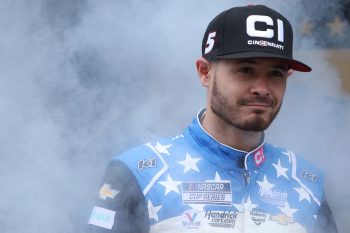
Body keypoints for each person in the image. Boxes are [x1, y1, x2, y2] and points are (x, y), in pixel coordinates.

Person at [87, 4, 338, 233]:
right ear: (205, 72)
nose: (262, 87)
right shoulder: (138, 172)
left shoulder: (307, 182)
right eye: (246, 70)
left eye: (275, 73)